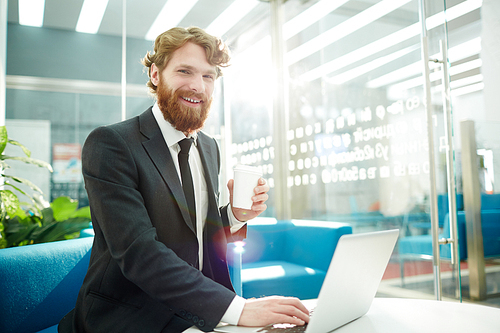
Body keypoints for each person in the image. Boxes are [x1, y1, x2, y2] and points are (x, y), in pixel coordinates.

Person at [58, 26, 309, 333]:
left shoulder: (208, 146)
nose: (197, 86)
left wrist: (235, 216)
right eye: (184, 71)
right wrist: (239, 309)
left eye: (208, 76)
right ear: (155, 74)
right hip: (131, 317)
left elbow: (195, 234)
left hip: (196, 311)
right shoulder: (112, 144)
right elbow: (139, 253)